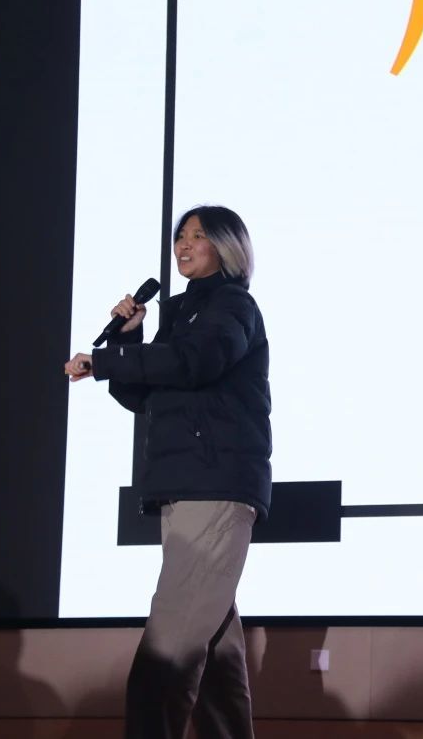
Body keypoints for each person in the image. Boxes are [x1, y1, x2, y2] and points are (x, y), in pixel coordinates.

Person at [65, 205, 271, 739]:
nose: (183, 244)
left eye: (198, 235)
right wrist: (128, 339)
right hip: (186, 489)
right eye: (181, 235)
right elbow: (146, 395)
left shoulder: (232, 307)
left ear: (227, 247)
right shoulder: (182, 316)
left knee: (165, 658)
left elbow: (194, 363)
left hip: (215, 487)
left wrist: (104, 361)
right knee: (217, 664)